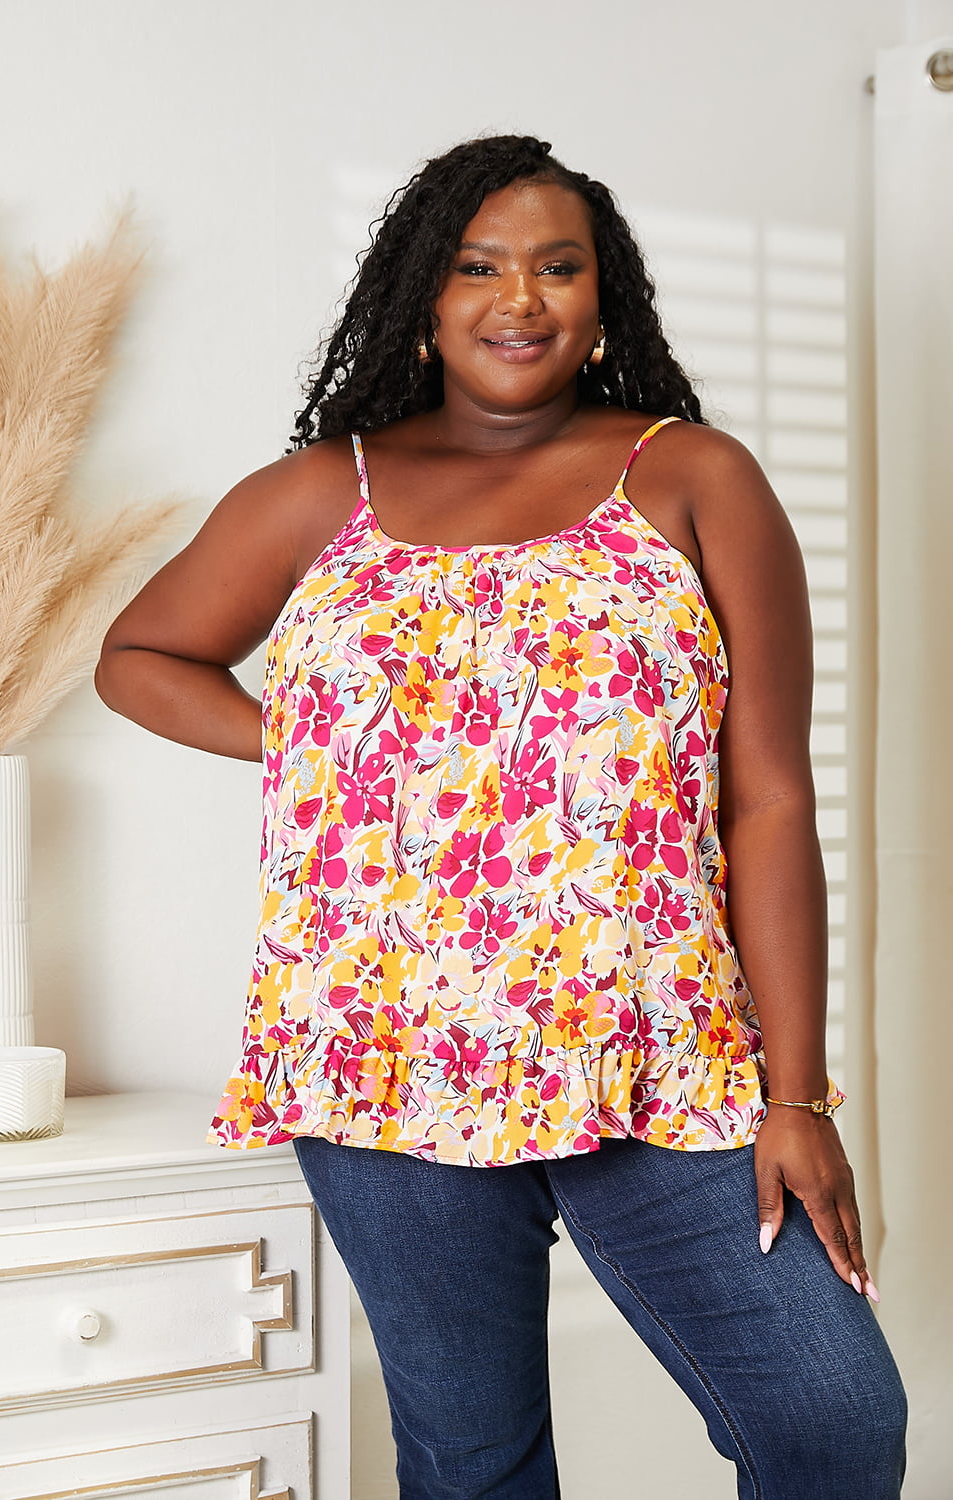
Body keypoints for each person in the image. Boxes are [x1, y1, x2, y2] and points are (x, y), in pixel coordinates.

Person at [95, 134, 907, 1498]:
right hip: (381, 1061)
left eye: (556, 266)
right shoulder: (321, 492)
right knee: (473, 1471)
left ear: (605, 298)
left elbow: (766, 796)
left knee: (830, 1420)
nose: (517, 298)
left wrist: (796, 1094)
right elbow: (140, 656)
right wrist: (326, 755)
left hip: (656, 1055)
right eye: (477, 266)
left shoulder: (693, 477)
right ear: (425, 292)